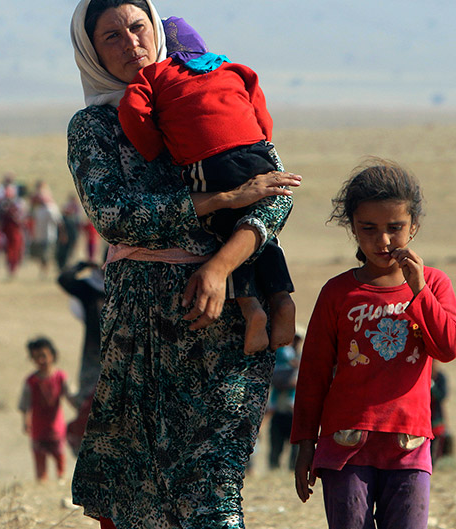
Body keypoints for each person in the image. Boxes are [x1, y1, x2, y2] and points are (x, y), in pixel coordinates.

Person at [68, 1, 300, 527]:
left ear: (156, 29)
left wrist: (219, 267)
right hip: (140, 335)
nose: (130, 43)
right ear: (90, 51)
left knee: (213, 489)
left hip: (228, 323)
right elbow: (115, 215)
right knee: (139, 491)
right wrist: (218, 201)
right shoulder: (94, 128)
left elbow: (275, 192)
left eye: (137, 27)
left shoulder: (209, 89)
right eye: (110, 37)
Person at [291, 160, 456, 529]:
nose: (383, 241)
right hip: (345, 445)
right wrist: (306, 443)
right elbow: (313, 373)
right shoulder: (338, 292)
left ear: (413, 227)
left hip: (410, 443)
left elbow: (448, 347)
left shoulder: (434, 284)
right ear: (352, 227)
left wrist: (419, 290)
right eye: (368, 228)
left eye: (395, 228)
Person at [118, 16, 295, 355]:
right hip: (257, 153)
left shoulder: (155, 74)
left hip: (209, 161)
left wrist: (155, 147)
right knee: (261, 229)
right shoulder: (232, 67)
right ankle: (282, 299)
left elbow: (133, 110)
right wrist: (259, 145)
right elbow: (260, 107)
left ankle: (251, 309)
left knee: (224, 226)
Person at [57, 261, 105, 455]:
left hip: (124, 358)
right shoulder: (90, 291)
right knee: (88, 405)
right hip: (93, 360)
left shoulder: (128, 285)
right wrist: (83, 264)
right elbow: (65, 279)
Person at [19, 337, 75, 482]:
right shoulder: (31, 381)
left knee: (59, 455)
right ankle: (41, 482)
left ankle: (61, 480)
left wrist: (83, 411)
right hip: (38, 428)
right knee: (39, 459)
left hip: (56, 428)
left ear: (52, 355)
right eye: (36, 357)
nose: (41, 360)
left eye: (43, 356)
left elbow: (72, 397)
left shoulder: (60, 377)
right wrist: (25, 421)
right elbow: (25, 404)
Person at [267, 331, 301, 470]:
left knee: (295, 448)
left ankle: (292, 469)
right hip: (281, 410)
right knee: (276, 445)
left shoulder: (299, 359)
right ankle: (274, 468)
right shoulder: (281, 358)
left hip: (293, 411)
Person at [430, 363, 452, 463]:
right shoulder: (421, 376)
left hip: (436, 422)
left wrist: (433, 387)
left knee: (434, 452)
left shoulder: (440, 377)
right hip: (420, 423)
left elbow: (442, 396)